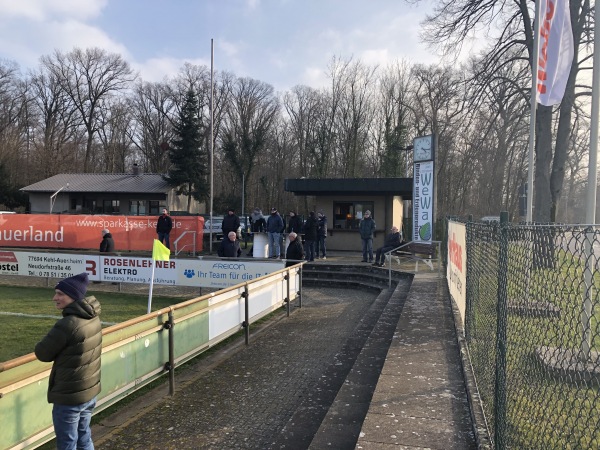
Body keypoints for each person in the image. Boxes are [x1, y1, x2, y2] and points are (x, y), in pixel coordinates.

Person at [34, 273, 102, 450]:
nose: (54, 298)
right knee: (84, 438)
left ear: (73, 296)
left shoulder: (68, 324)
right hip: (89, 391)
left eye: (60, 294)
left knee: (67, 444)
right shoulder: (93, 317)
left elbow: (42, 353)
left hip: (70, 396)